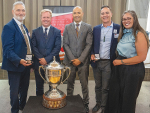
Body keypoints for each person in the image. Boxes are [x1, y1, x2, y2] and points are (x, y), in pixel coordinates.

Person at [105, 10, 149, 113]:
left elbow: (141, 57)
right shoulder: (124, 33)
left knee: (128, 98)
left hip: (133, 70)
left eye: (129, 18)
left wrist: (120, 62)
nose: (126, 21)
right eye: (124, 19)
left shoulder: (139, 34)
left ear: (135, 20)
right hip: (120, 69)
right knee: (116, 95)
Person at [1, 1, 32, 113]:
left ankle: (22, 107)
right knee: (14, 92)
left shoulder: (24, 28)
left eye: (23, 10)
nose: (21, 12)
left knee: (24, 90)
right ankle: (14, 110)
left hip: (26, 66)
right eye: (18, 10)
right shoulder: (8, 27)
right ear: (13, 11)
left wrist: (29, 62)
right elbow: (7, 50)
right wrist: (19, 61)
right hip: (15, 66)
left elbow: (27, 47)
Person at [63, 6, 93, 113]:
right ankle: (69, 103)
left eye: (78, 13)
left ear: (82, 14)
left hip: (83, 62)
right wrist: (72, 59)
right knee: (69, 85)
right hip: (70, 62)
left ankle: (86, 104)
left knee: (84, 85)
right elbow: (65, 45)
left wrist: (80, 59)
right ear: (72, 14)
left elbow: (89, 45)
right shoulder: (67, 27)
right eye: (75, 13)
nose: (77, 15)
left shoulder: (88, 27)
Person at [91, 6, 120, 113]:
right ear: (100, 16)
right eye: (103, 13)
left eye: (107, 13)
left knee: (106, 87)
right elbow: (92, 44)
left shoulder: (118, 27)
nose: (105, 15)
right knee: (97, 86)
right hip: (97, 62)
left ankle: (104, 107)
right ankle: (98, 103)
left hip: (109, 62)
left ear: (111, 14)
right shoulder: (96, 28)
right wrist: (92, 54)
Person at [31, 9, 61, 96]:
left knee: (52, 87)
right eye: (44, 17)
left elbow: (57, 47)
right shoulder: (35, 32)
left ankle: (51, 104)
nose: (46, 19)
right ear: (41, 18)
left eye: (48, 17)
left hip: (52, 65)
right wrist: (41, 59)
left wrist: (46, 59)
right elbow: (34, 47)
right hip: (39, 63)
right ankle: (40, 106)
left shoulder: (57, 32)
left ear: (51, 18)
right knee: (39, 87)